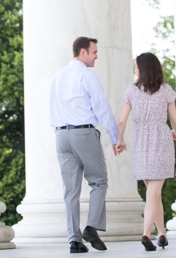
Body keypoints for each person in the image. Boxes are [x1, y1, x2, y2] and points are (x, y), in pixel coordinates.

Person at [50, 36, 124, 253]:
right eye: (94, 52)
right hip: (83, 132)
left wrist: (59, 132)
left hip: (61, 136)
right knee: (99, 181)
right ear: (83, 52)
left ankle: (74, 241)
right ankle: (91, 228)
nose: (96, 56)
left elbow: (51, 107)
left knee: (70, 191)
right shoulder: (87, 76)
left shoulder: (58, 76)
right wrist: (115, 137)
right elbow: (102, 107)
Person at [116, 52, 176, 251]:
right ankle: (145, 234)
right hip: (161, 138)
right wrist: (175, 132)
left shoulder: (131, 92)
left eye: (136, 66)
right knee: (154, 191)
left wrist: (120, 139)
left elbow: (121, 120)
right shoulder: (166, 90)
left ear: (142, 69)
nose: (135, 70)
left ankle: (162, 234)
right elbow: (174, 119)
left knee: (154, 192)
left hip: (140, 140)